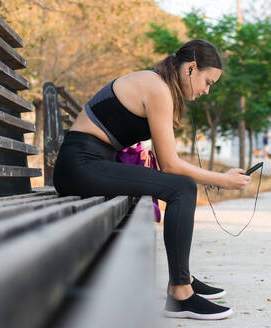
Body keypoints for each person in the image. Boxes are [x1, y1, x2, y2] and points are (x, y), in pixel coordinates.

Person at [53, 39, 251, 320]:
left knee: (180, 185)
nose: (207, 91)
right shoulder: (157, 88)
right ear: (191, 69)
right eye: (208, 82)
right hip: (81, 165)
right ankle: (181, 293)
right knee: (182, 187)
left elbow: (166, 161)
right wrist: (221, 179)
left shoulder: (158, 85)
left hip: (89, 163)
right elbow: (170, 165)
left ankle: (185, 280)